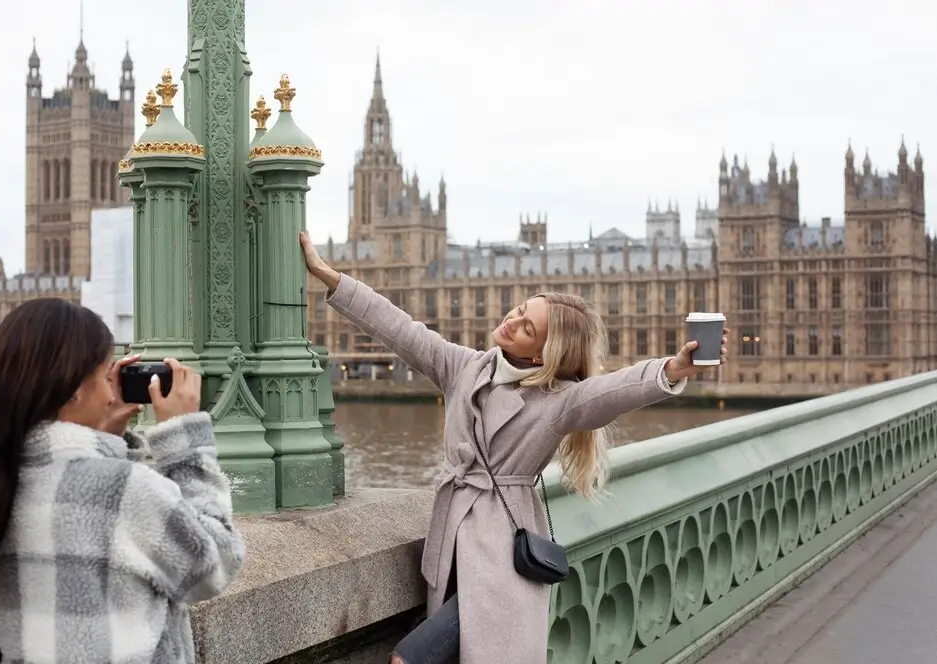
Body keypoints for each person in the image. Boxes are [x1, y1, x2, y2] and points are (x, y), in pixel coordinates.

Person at [299, 231, 728, 664]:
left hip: (499, 558)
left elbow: (610, 392)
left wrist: (671, 369)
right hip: (450, 539)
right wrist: (331, 278)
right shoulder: (465, 366)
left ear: (544, 354)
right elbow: (401, 330)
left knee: (407, 659)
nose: (512, 322)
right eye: (520, 311)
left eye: (528, 328)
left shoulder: (557, 402)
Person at [0, 298, 245, 663]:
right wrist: (185, 443)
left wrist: (108, 439)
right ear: (73, 388)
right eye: (104, 377)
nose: (109, 393)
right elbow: (215, 563)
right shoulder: (121, 490)